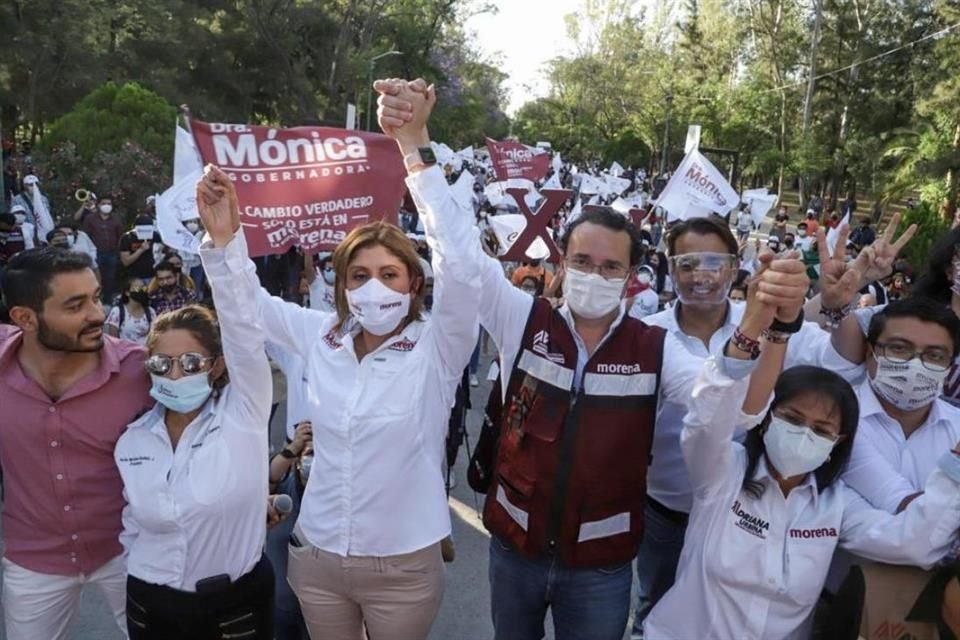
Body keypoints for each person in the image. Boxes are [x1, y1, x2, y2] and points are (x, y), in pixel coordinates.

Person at [378, 78, 812, 640]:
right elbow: (460, 254)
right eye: (582, 261)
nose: (595, 274)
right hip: (515, 547)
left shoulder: (656, 349)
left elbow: (733, 405)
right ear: (561, 262)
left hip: (602, 567)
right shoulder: (520, 318)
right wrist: (414, 146)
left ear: (632, 279)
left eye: (611, 268)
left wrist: (759, 326)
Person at [213, 79, 482, 640]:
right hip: (317, 558)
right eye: (359, 275)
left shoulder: (439, 346)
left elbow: (461, 262)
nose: (373, 287)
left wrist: (415, 148)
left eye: (389, 274)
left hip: (403, 567)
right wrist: (225, 238)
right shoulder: (322, 336)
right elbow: (248, 304)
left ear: (413, 284)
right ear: (341, 286)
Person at [629, 217, 893, 639]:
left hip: (750, 505)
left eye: (715, 263)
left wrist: (836, 303)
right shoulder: (645, 333)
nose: (701, 275)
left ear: (736, 268)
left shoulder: (766, 318)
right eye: (688, 263)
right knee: (657, 609)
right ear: (669, 266)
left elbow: (836, 363)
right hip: (667, 506)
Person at [643, 347, 960, 640]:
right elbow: (706, 422)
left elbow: (914, 542)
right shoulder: (724, 471)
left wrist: (955, 466)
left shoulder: (836, 504)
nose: (804, 434)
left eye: (822, 430)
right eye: (792, 419)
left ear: (837, 442)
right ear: (766, 419)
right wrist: (749, 338)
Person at [116, 170, 275, 638]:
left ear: (217, 366)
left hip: (233, 608)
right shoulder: (132, 441)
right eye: (161, 365)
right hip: (150, 602)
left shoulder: (244, 415)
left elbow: (244, 325)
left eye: (189, 362)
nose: (175, 374)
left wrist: (223, 243)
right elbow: (131, 525)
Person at [0, 247, 152, 640]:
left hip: (131, 551)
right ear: (24, 318)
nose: (98, 315)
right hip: (34, 558)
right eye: (75, 305)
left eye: (97, 297)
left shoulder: (141, 371)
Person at [81, 196, 124, 303]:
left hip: (112, 253)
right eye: (104, 203)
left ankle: (108, 301)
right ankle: (95, 300)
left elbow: (120, 236)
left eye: (109, 204)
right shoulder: (90, 218)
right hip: (96, 253)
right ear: (99, 205)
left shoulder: (116, 219)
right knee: (95, 277)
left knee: (110, 278)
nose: (106, 206)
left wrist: (119, 252)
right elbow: (86, 236)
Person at [105, 277, 157, 345]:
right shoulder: (117, 312)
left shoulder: (150, 312)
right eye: (137, 288)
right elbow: (113, 341)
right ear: (127, 292)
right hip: (125, 353)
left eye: (143, 288)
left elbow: (154, 337)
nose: (141, 291)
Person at [120, 214, 162, 286]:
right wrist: (141, 250)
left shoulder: (155, 236)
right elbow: (125, 262)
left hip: (152, 275)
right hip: (135, 277)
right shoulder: (127, 238)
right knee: (138, 294)